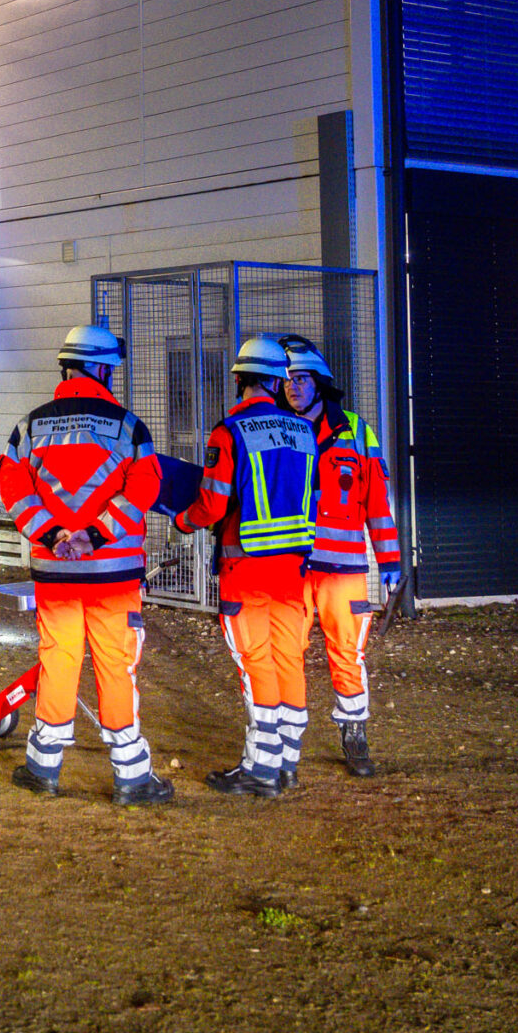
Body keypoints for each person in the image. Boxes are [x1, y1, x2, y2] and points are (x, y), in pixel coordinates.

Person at [0, 326, 175, 806]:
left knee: (58, 658)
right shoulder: (129, 425)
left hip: (55, 574)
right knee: (115, 667)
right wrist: (94, 535)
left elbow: (14, 489)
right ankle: (131, 776)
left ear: (67, 368)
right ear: (101, 369)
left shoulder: (30, 426)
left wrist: (55, 536)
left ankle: (42, 768)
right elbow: (143, 492)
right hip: (113, 575)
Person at [171, 333, 320, 798]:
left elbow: (212, 505)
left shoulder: (229, 432)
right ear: (277, 382)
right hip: (293, 571)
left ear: (238, 379)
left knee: (255, 665)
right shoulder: (304, 433)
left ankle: (261, 768)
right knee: (287, 660)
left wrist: (182, 518)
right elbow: (313, 498)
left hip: (246, 569)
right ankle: (287, 760)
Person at [283, 338, 401, 777]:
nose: (293, 387)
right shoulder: (275, 427)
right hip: (290, 568)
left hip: (344, 569)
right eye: (287, 380)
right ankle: (285, 740)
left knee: (347, 654)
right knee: (285, 653)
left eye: (302, 378)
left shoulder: (356, 430)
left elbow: (377, 504)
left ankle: (354, 731)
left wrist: (389, 564)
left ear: (321, 383)